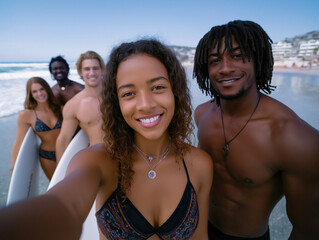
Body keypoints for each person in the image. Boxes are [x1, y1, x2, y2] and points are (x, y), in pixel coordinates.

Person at [0, 39, 213, 240]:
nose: (146, 104)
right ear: (116, 104)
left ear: (175, 91)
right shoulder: (96, 161)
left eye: (157, 87)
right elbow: (66, 205)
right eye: (128, 94)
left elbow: (201, 236)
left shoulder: (200, 164)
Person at [193, 20, 319, 240]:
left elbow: (307, 229)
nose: (225, 68)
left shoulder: (296, 139)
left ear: (258, 61)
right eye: (215, 60)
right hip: (198, 228)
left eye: (237, 56)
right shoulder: (202, 114)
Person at [55, 51, 105, 162]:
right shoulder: (74, 105)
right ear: (80, 72)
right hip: (98, 160)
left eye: (95, 68)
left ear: (102, 70)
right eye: (87, 69)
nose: (92, 73)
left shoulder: (117, 96)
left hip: (127, 156)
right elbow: (63, 139)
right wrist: (61, 173)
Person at [11, 77, 63, 180]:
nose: (39, 93)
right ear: (30, 95)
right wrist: (13, 168)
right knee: (55, 185)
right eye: (35, 91)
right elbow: (18, 143)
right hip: (47, 156)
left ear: (47, 89)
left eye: (42, 89)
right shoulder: (26, 115)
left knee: (69, 185)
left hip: (66, 151)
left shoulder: (61, 108)